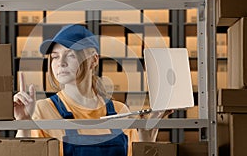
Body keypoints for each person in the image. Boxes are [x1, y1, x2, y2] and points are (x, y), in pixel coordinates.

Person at [14, 24, 171, 156]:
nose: (60, 63)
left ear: (93, 60)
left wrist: (146, 141)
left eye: (70, 55)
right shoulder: (42, 111)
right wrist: (24, 125)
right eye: (55, 56)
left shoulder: (120, 112)